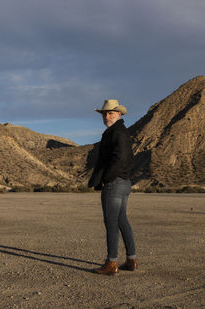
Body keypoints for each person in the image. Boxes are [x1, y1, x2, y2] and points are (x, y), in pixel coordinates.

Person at [88, 99, 137, 275]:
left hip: (115, 183)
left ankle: (111, 263)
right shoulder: (119, 132)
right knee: (122, 220)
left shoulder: (117, 133)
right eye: (105, 113)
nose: (107, 116)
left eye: (110, 113)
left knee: (111, 222)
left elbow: (121, 158)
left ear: (119, 114)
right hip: (123, 182)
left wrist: (106, 178)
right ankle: (131, 260)